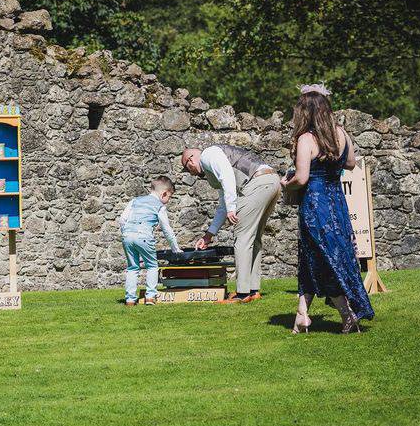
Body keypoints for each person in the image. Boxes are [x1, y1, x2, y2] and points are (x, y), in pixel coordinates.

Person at [281, 83, 375, 333]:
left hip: (315, 204)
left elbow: (301, 178)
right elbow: (352, 163)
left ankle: (347, 314)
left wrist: (286, 184)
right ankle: (302, 315)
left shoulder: (306, 139)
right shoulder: (341, 134)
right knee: (316, 258)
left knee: (322, 259)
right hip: (337, 203)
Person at [181, 144, 280, 304]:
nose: (190, 173)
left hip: (256, 183)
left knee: (242, 239)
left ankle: (242, 294)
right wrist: (208, 235)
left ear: (190, 161)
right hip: (272, 181)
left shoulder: (208, 154)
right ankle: (253, 290)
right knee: (254, 239)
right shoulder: (213, 166)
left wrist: (232, 207)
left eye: (187, 169)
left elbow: (227, 175)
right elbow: (222, 204)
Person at [119, 176, 182, 306]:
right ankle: (150, 297)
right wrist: (175, 248)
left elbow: (122, 219)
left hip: (127, 235)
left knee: (132, 267)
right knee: (152, 266)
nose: (168, 201)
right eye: (169, 197)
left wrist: (126, 232)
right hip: (144, 236)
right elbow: (167, 230)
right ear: (164, 193)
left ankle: (130, 299)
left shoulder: (135, 200)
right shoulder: (159, 206)